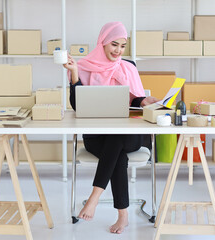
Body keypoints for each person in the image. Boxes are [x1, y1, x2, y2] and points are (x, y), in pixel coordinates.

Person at [63, 22, 158, 234]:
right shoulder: (84, 66)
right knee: (117, 155)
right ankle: (123, 215)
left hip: (129, 135)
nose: (118, 50)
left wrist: (143, 101)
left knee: (117, 140)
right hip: (97, 136)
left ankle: (94, 197)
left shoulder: (128, 67)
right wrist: (75, 74)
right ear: (103, 42)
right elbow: (78, 106)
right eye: (114, 44)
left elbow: (135, 97)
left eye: (122, 46)